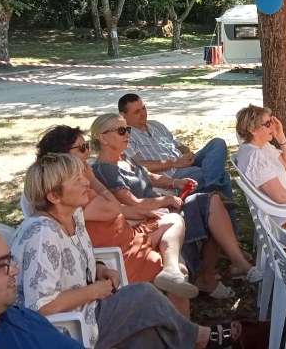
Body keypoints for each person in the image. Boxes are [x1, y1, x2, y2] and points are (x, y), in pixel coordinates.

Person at [11, 154, 242, 349]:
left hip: (88, 310)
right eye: (77, 179)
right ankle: (199, 337)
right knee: (143, 295)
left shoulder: (74, 215)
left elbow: (75, 259)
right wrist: (94, 291)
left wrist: (99, 269)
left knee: (153, 335)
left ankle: (193, 339)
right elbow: (41, 306)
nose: (86, 182)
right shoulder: (42, 234)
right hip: (66, 330)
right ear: (54, 196)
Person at [90, 114, 260, 297]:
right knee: (213, 206)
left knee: (215, 203)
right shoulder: (104, 169)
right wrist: (167, 200)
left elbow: (148, 176)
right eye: (121, 130)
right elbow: (133, 203)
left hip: (163, 209)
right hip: (151, 218)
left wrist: (175, 183)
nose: (127, 134)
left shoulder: (123, 158)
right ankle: (221, 271)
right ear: (103, 138)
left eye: (128, 129)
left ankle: (224, 268)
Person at [35, 125, 198, 308]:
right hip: (122, 253)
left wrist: (144, 213)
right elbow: (113, 208)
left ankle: (171, 271)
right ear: (63, 156)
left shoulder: (74, 187)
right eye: (82, 148)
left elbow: (118, 209)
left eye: (87, 146)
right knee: (180, 268)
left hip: (130, 237)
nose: (88, 152)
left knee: (173, 221)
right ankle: (176, 288)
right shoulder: (70, 195)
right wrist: (92, 180)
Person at [118, 94, 232, 200]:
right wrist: (174, 163)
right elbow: (137, 166)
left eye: (144, 108)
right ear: (123, 116)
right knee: (222, 176)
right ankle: (215, 190)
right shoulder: (126, 136)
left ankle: (213, 188)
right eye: (137, 112)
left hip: (185, 163)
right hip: (174, 174)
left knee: (218, 143)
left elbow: (180, 145)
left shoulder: (156, 125)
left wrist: (188, 154)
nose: (143, 113)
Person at [235, 104, 286, 203]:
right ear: (253, 129)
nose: (272, 126)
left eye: (271, 122)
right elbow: (281, 196)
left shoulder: (262, 146)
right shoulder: (256, 157)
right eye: (267, 124)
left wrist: (281, 137)